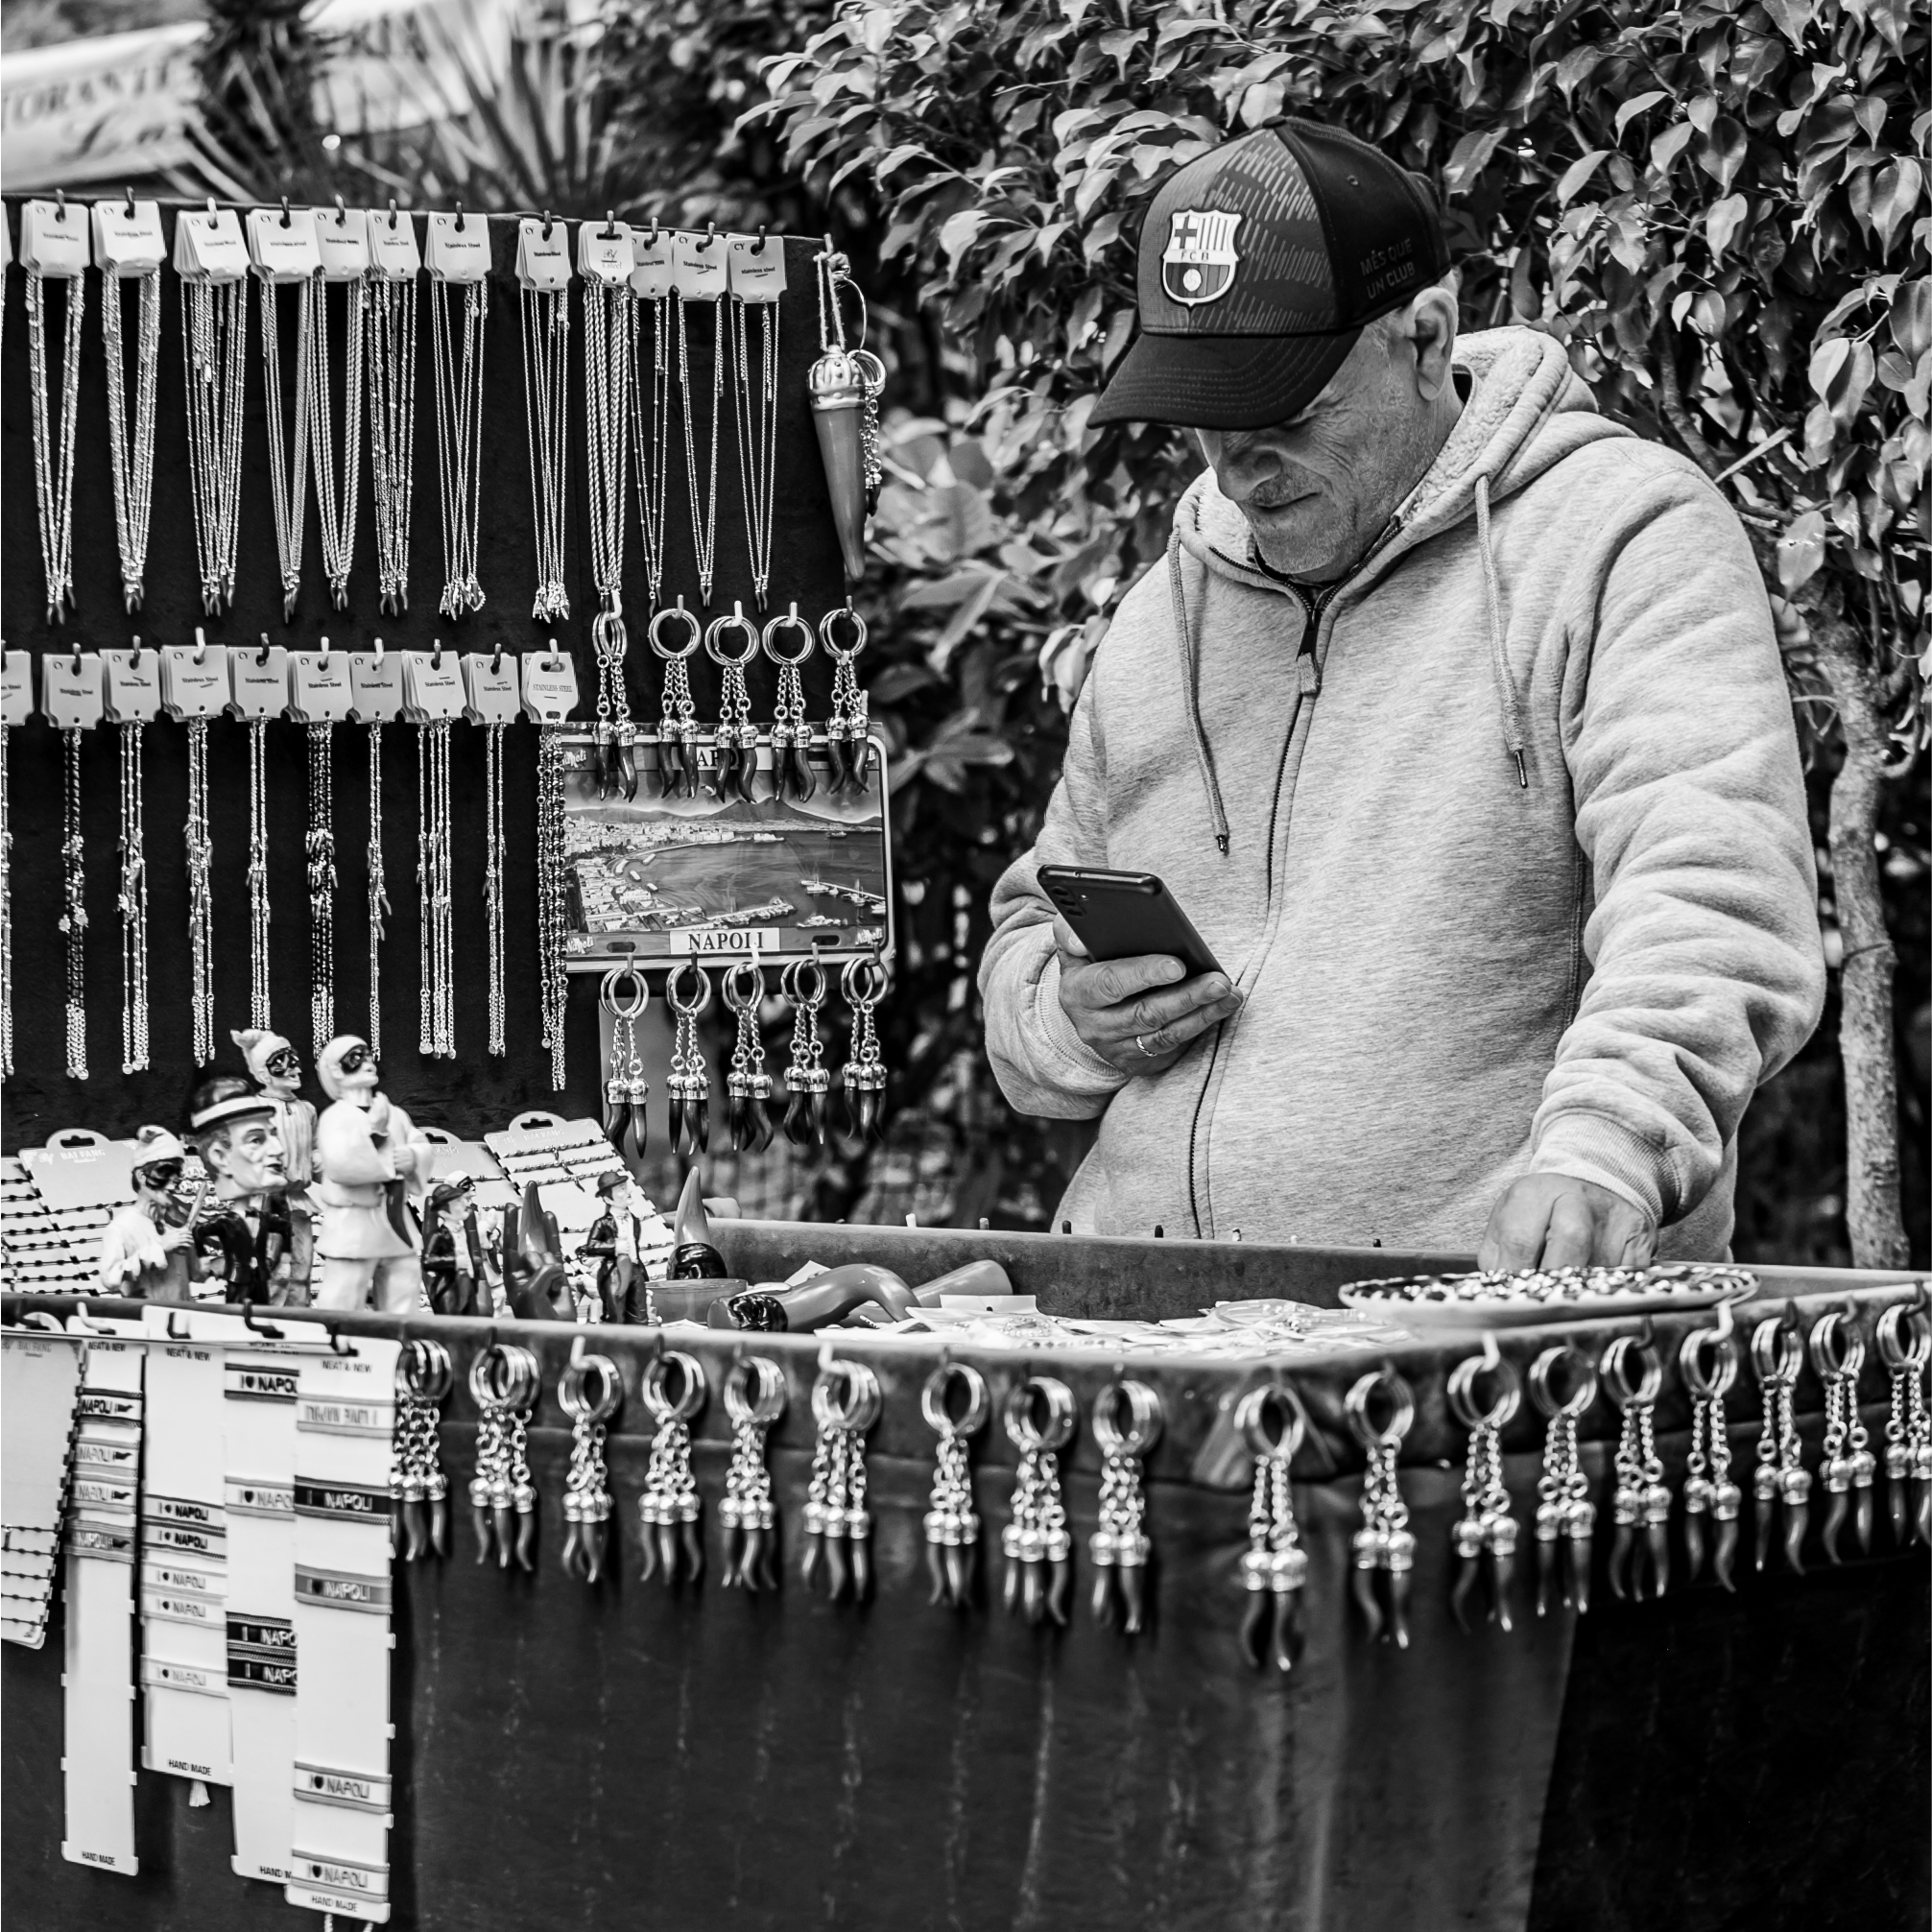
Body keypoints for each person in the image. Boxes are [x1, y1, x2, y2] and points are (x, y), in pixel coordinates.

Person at [980, 117, 1825, 1267]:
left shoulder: (1621, 536)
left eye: (1289, 414)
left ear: (1425, 336)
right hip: (1150, 1314)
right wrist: (1066, 1021)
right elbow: (1031, 940)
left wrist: (1608, 1148)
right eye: (1211, 421)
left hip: (1494, 1319)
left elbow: (1712, 886)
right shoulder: (1156, 618)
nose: (1242, 469)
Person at [311, 1035, 428, 1314]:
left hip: (395, 1220)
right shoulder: (335, 1118)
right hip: (353, 1221)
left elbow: (419, 1142)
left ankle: (401, 1335)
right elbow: (340, 1165)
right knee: (346, 1289)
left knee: (404, 1281)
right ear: (336, 1070)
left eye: (367, 1055)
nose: (367, 1062)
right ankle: (340, 1336)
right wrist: (376, 1137)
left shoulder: (395, 1114)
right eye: (355, 1058)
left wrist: (413, 1157)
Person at [186, 1076, 294, 1303]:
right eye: (256, 1140)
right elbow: (199, 1233)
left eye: (274, 1136)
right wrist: (205, 1259)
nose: (278, 1149)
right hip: (238, 1279)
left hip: (261, 1278)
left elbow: (284, 1227)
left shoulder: (266, 1212)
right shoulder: (224, 1221)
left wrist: (284, 1259)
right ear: (220, 1157)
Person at [231, 1027, 318, 1299]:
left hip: (298, 1203)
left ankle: (301, 1317)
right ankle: (267, 1318)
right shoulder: (252, 1108)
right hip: (266, 1204)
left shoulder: (307, 1110)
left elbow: (314, 1154)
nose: (295, 1070)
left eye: (294, 1061)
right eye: (282, 1063)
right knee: (272, 1270)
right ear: (264, 1073)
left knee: (302, 1268)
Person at [97, 1127, 203, 1302]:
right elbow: (110, 1279)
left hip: (185, 1312)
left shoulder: (177, 1221)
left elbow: (196, 1274)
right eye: (165, 1174)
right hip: (148, 1315)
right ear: (141, 1176)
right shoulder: (120, 1228)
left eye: (177, 1177)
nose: (172, 1186)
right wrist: (159, 1249)